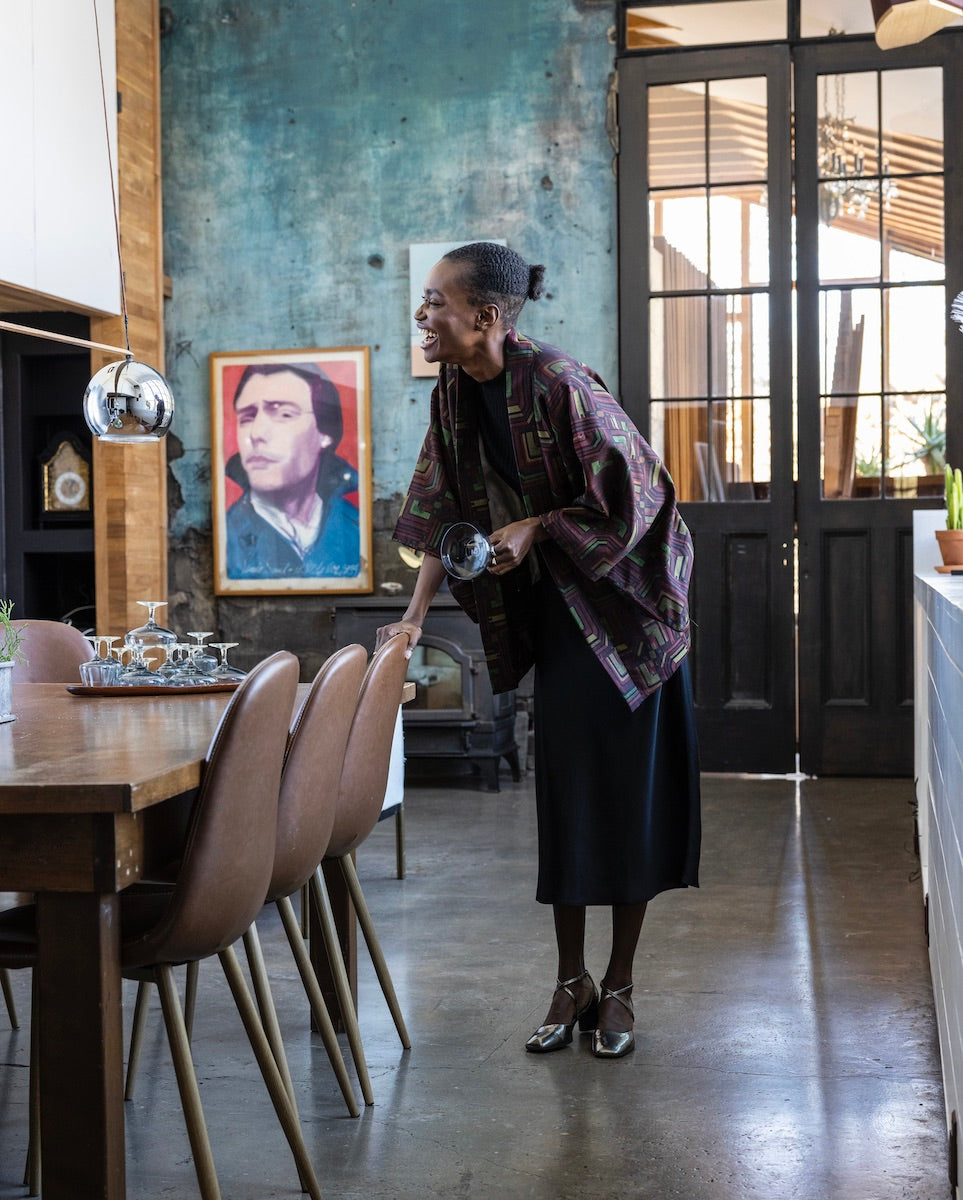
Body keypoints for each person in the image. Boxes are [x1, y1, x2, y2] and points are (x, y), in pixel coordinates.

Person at [376, 242, 700, 1060]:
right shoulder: (454, 393)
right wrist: (411, 617)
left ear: (485, 315)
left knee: (625, 804)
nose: (422, 315)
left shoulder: (559, 382)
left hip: (627, 624)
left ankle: (618, 984)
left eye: (435, 302)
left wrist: (538, 526)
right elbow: (441, 510)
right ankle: (570, 981)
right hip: (559, 622)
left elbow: (639, 494)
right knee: (566, 803)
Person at [225, 361, 360, 579]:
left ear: (325, 433)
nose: (256, 433)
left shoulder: (356, 528)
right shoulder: (225, 534)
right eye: (247, 418)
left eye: (284, 414)